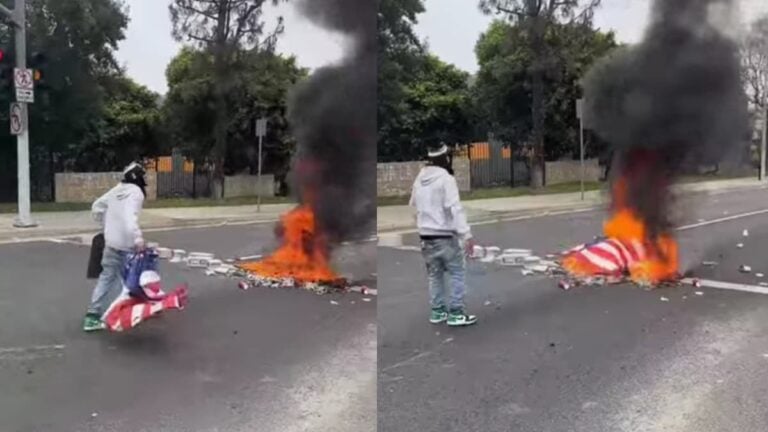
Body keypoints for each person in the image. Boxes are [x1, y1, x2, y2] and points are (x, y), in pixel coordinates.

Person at [409, 143, 477, 327]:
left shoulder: (419, 178)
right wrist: (466, 235)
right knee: (456, 273)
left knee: (434, 275)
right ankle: (456, 313)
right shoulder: (446, 179)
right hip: (445, 236)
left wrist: (422, 225)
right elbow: (454, 208)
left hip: (425, 236)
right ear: (444, 158)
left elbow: (413, 205)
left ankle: (438, 311)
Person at [82, 162, 148, 332]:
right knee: (132, 278)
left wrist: (106, 225)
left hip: (111, 243)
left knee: (107, 278)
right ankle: (132, 310)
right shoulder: (136, 192)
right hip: (127, 243)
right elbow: (129, 216)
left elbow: (96, 206)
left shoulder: (116, 190)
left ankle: (92, 316)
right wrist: (138, 238)